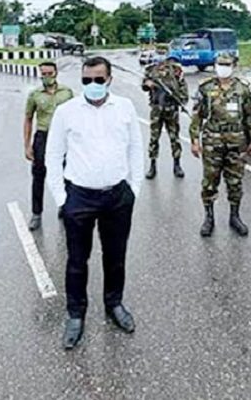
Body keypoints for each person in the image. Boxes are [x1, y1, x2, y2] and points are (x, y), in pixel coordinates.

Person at [45, 56, 144, 350]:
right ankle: (76, 315)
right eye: (87, 80)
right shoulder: (67, 111)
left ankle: (114, 304)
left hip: (117, 196)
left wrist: (134, 188)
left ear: (110, 80)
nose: (92, 85)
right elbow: (52, 155)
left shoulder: (124, 107)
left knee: (115, 258)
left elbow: (136, 148)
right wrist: (61, 199)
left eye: (98, 80)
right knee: (77, 261)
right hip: (80, 197)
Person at [189, 54, 251, 237]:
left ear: (233, 66)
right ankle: (209, 218)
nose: (223, 68)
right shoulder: (206, 88)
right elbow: (197, 116)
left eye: (226, 65)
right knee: (209, 183)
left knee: (235, 182)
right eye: (220, 64)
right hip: (213, 143)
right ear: (215, 66)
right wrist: (195, 141)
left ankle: (235, 217)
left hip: (237, 143)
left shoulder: (242, 89)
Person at [23, 62, 74, 230]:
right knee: (39, 176)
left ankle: (64, 206)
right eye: (43, 74)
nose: (47, 77)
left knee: (67, 174)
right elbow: (28, 119)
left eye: (49, 73)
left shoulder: (66, 93)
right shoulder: (35, 95)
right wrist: (27, 145)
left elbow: (76, 116)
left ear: (56, 73)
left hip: (64, 138)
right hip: (43, 137)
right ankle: (36, 214)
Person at [142, 44, 189, 179]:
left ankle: (177, 165)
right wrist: (148, 84)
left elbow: (183, 89)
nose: (161, 56)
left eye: (163, 53)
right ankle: (152, 166)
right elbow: (144, 85)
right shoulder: (151, 70)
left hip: (171, 109)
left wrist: (178, 99)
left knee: (174, 138)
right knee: (154, 138)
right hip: (156, 109)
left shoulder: (176, 70)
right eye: (159, 53)